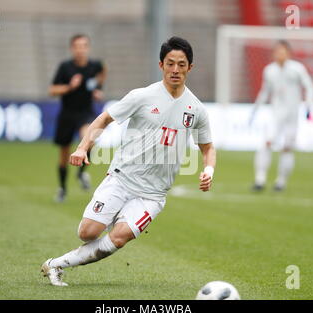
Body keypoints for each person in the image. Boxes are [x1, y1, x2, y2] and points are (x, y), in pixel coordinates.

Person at [41, 36, 216, 286]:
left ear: (190, 67)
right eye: (170, 64)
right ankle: (112, 213)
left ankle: (56, 264)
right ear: (161, 65)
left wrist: (208, 169)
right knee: (87, 232)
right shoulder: (142, 96)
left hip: (153, 195)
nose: (175, 69)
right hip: (122, 179)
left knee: (119, 238)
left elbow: (208, 147)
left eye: (181, 64)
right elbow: (103, 119)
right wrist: (82, 148)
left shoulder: (196, 109)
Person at [249, 40, 313, 191]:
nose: (280, 54)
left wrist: (309, 106)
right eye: (277, 51)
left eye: (283, 51)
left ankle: (281, 182)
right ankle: (260, 179)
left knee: (287, 148)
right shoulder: (269, 70)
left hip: (292, 116)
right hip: (276, 114)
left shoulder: (297, 69)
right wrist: (255, 109)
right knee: (266, 142)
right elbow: (265, 91)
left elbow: (309, 87)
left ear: (288, 53)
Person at [49, 34, 106, 202]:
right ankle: (62, 189)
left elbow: (103, 71)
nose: (80, 49)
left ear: (88, 48)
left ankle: (81, 173)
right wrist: (69, 87)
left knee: (90, 139)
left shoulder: (95, 66)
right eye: (77, 46)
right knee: (64, 153)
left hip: (85, 113)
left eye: (84, 46)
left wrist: (99, 88)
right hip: (67, 113)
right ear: (72, 48)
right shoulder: (65, 67)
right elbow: (52, 90)